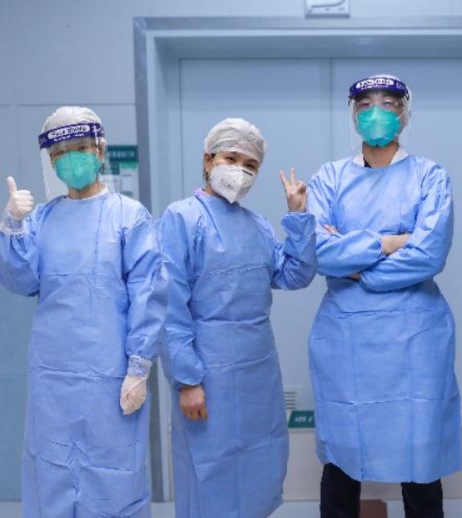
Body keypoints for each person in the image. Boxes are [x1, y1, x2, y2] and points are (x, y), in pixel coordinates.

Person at [0, 106, 167, 517]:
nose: (71, 158)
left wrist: (139, 367)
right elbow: (20, 280)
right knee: (51, 475)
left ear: (100, 151)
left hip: (112, 380)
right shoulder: (42, 219)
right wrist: (12, 225)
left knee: (113, 481)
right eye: (61, 152)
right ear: (51, 161)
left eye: (81, 148)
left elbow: (149, 293)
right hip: (53, 381)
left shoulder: (129, 217)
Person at [307, 74, 462, 518]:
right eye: (366, 104)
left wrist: (358, 267)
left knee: (420, 455)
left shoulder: (430, 176)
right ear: (353, 114)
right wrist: (392, 241)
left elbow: (429, 255)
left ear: (405, 113)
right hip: (347, 338)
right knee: (343, 455)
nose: (377, 112)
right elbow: (319, 252)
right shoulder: (329, 179)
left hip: (415, 335)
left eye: (389, 103)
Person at [158, 118, 318, 518]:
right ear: (208, 160)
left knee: (258, 466)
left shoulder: (257, 225)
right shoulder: (182, 218)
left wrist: (298, 217)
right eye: (231, 158)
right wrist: (187, 380)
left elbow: (293, 275)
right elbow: (169, 305)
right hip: (207, 374)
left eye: (250, 165)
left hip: (257, 373)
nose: (240, 171)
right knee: (209, 471)